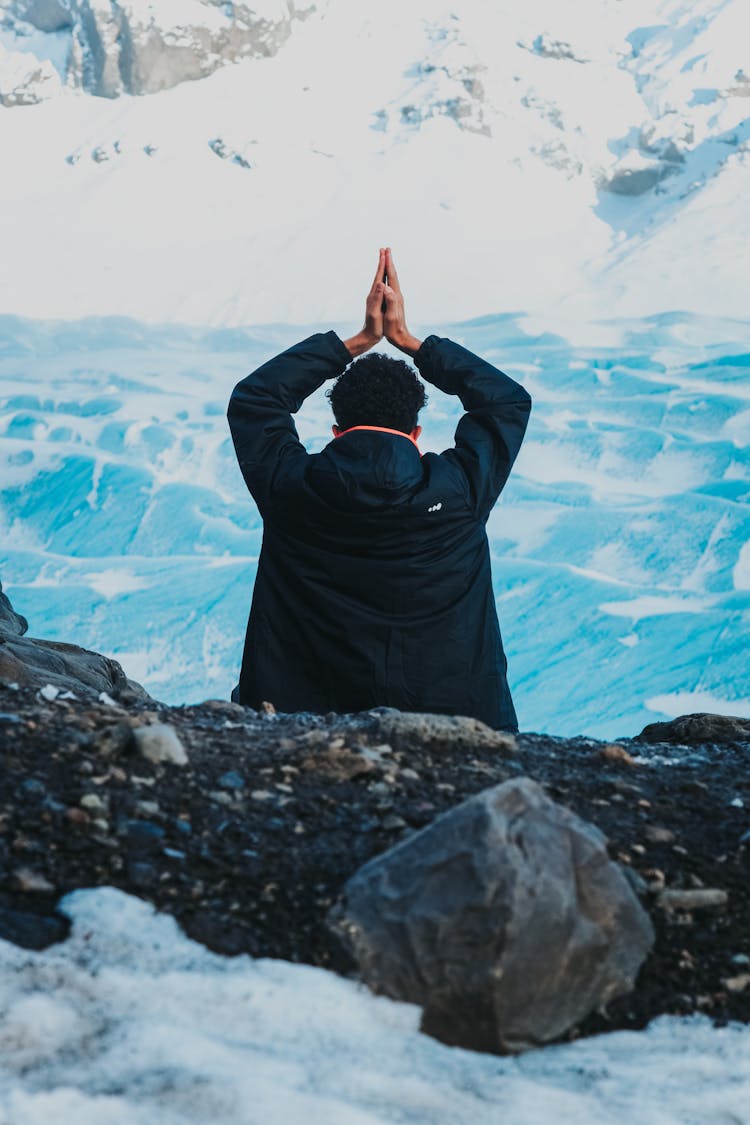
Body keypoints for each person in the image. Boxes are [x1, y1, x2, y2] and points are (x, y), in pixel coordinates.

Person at [227, 248, 531, 730]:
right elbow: (506, 401)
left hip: (301, 728)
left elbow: (256, 399)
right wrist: (410, 341)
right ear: (415, 433)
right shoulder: (460, 491)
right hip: (456, 730)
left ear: (335, 430)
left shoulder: (289, 488)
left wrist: (358, 341)